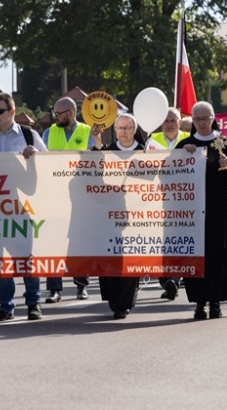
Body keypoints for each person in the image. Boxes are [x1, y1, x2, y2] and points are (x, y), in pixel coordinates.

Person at [0, 92, 49, 322]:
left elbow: (50, 164)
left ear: (11, 112)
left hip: (23, 206)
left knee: (26, 257)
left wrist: (36, 156)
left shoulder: (28, 135)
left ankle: (33, 303)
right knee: (0, 260)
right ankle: (6, 306)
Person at [176, 101, 227, 319]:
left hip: (219, 209)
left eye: (205, 118)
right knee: (196, 255)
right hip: (192, 210)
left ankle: (215, 301)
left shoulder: (224, 144)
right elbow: (170, 177)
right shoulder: (185, 145)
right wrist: (183, 158)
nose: (201, 122)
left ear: (213, 118)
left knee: (220, 253)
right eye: (197, 119)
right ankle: (199, 303)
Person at [41, 96, 101, 303]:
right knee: (53, 241)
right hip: (54, 194)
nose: (55, 117)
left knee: (78, 241)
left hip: (80, 194)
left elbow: (96, 157)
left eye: (59, 114)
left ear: (71, 113)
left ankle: (81, 286)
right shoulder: (48, 133)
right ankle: (54, 290)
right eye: (54, 113)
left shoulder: (87, 132)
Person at [100, 112, 145, 319]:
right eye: (120, 128)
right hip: (110, 214)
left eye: (127, 128)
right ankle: (114, 300)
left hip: (137, 214)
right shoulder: (107, 151)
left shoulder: (144, 151)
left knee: (130, 257)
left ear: (134, 130)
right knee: (111, 256)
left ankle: (124, 303)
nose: (123, 131)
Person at [145, 107, 191, 300]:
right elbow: (145, 168)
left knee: (179, 241)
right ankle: (167, 282)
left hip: (185, 198)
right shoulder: (152, 140)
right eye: (166, 120)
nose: (169, 124)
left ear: (180, 122)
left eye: (173, 120)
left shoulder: (190, 139)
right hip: (158, 199)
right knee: (161, 243)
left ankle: (174, 279)